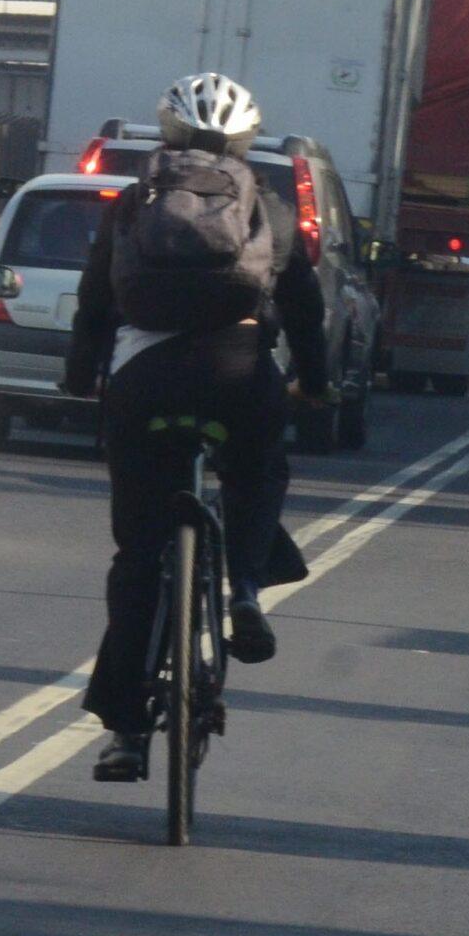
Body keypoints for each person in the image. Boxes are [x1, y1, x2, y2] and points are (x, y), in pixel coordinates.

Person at [64, 73, 330, 783]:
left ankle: (126, 730)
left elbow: (94, 303)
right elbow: (305, 309)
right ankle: (244, 588)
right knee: (257, 468)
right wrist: (316, 383)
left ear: (168, 134)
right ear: (245, 141)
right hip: (238, 371)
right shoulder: (268, 209)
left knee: (138, 557)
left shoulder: (132, 204)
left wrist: (80, 377)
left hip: (144, 382)